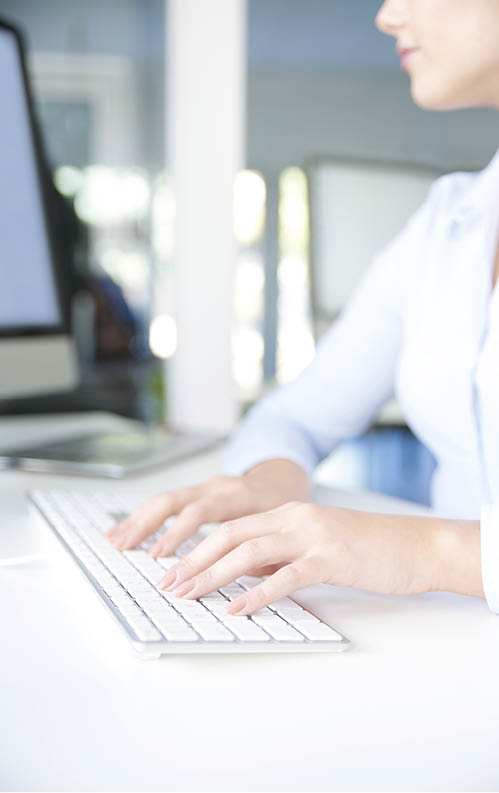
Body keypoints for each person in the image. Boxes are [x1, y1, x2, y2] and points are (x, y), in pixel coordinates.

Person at [106, 0, 499, 618]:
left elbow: (422, 551)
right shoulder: (448, 223)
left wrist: (421, 549)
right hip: (457, 647)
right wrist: (270, 480)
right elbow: (297, 416)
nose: (387, 16)